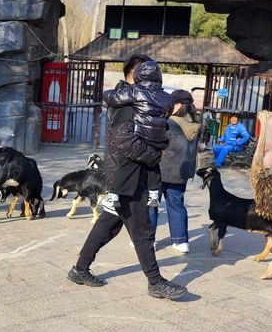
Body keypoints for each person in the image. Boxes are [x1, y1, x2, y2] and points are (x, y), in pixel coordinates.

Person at [67, 54, 186, 300]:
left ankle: (80, 269)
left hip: (128, 174)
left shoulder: (141, 103)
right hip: (127, 175)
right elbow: (123, 142)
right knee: (142, 231)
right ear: (134, 75)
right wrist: (153, 154)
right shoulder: (126, 104)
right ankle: (156, 282)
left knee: (107, 224)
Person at [99, 58, 174, 211]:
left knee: (141, 232)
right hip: (158, 136)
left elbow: (112, 97)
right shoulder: (166, 96)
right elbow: (168, 113)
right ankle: (154, 195)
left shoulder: (134, 93)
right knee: (153, 166)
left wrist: (108, 94)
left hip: (141, 137)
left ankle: (113, 197)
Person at [149, 90, 202, 254]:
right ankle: (181, 242)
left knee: (151, 204)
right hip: (181, 173)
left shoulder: (168, 123)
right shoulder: (195, 125)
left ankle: (148, 240)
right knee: (177, 205)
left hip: (159, 170)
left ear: (178, 105)